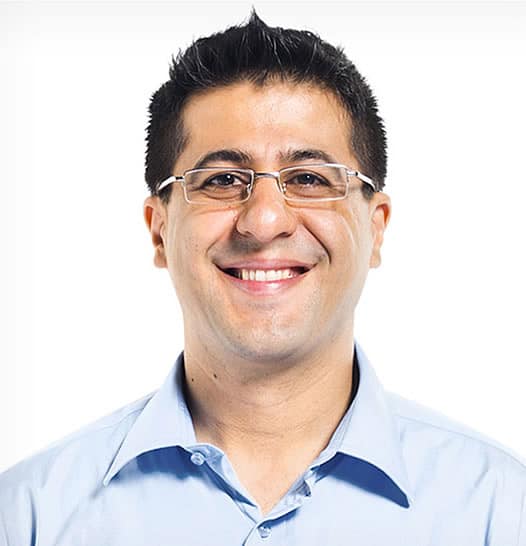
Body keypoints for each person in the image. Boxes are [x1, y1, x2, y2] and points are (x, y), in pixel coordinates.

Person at [1, 11, 525, 546]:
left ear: (376, 229)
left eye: (309, 178)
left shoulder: (499, 511)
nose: (265, 220)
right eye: (223, 179)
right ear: (159, 231)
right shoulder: (29, 517)